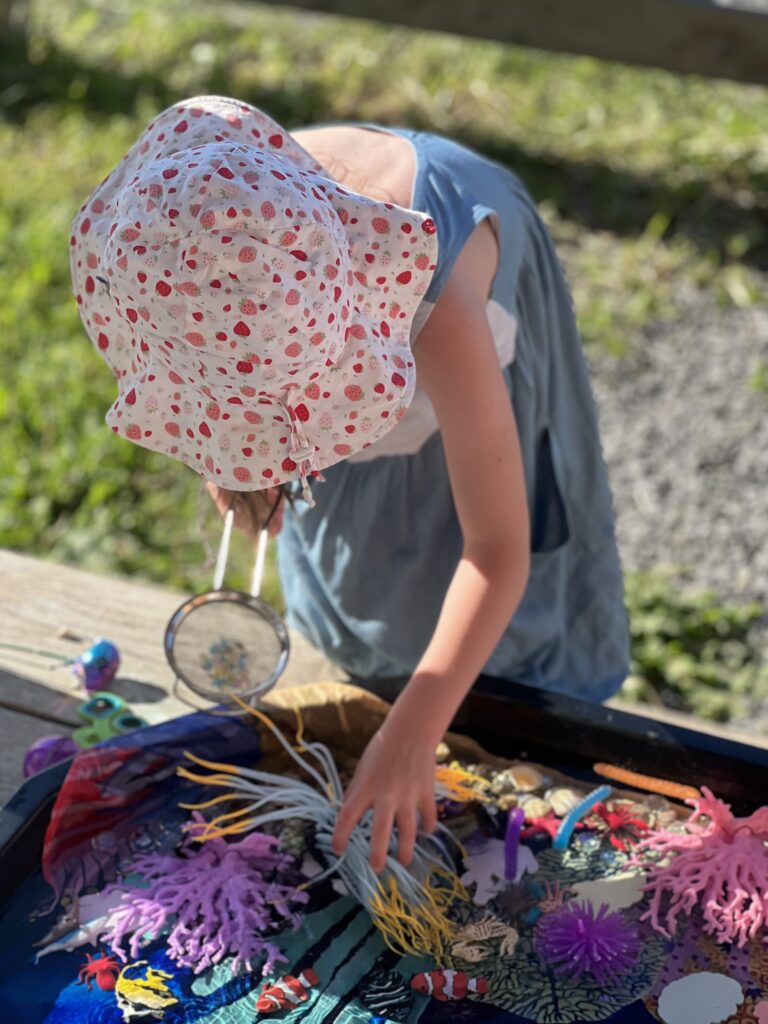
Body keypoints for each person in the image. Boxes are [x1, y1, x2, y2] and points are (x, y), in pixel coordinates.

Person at [70, 95, 629, 872]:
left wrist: (412, 732)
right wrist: (235, 455)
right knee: (366, 579)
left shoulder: (434, 308)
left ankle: (467, 695)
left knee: (480, 622)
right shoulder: (216, 203)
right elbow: (219, 346)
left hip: (468, 411)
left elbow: (499, 549)